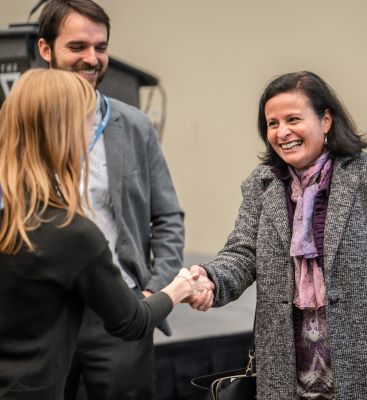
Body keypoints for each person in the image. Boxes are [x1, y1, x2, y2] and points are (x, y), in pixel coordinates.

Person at [0, 68, 212, 400]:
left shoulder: (15, 218)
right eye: (87, 122)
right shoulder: (70, 233)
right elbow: (132, 322)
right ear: (64, 133)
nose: (93, 131)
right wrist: (181, 286)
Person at [188, 71, 367, 399]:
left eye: (293, 119)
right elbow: (242, 251)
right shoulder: (262, 185)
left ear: (326, 120)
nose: (282, 132)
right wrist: (211, 280)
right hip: (287, 373)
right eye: (272, 123)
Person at [36, 1, 187, 399]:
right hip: (44, 315)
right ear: (45, 50)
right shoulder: (19, 126)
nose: (92, 59)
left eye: (100, 47)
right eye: (78, 47)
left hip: (121, 309)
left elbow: (168, 215)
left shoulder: (134, 125)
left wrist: (154, 291)